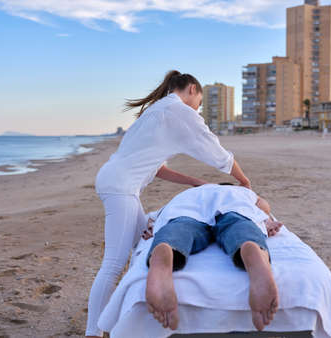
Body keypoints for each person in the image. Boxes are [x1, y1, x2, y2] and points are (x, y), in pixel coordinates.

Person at [86, 71, 251, 337]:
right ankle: (92, 333)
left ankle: (126, 318)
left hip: (116, 182)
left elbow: (158, 168)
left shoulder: (157, 111)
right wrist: (243, 179)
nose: (199, 107)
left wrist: (196, 182)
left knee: (143, 241)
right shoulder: (178, 111)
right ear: (192, 89)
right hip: (120, 187)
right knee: (113, 264)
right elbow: (213, 149)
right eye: (200, 100)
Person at [143, 184, 282, 332]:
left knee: (179, 227)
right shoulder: (240, 192)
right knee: (240, 226)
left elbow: (158, 217)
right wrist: (264, 220)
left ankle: (167, 247)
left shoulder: (188, 193)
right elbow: (263, 207)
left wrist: (156, 228)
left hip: (188, 210)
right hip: (233, 208)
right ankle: (250, 246)